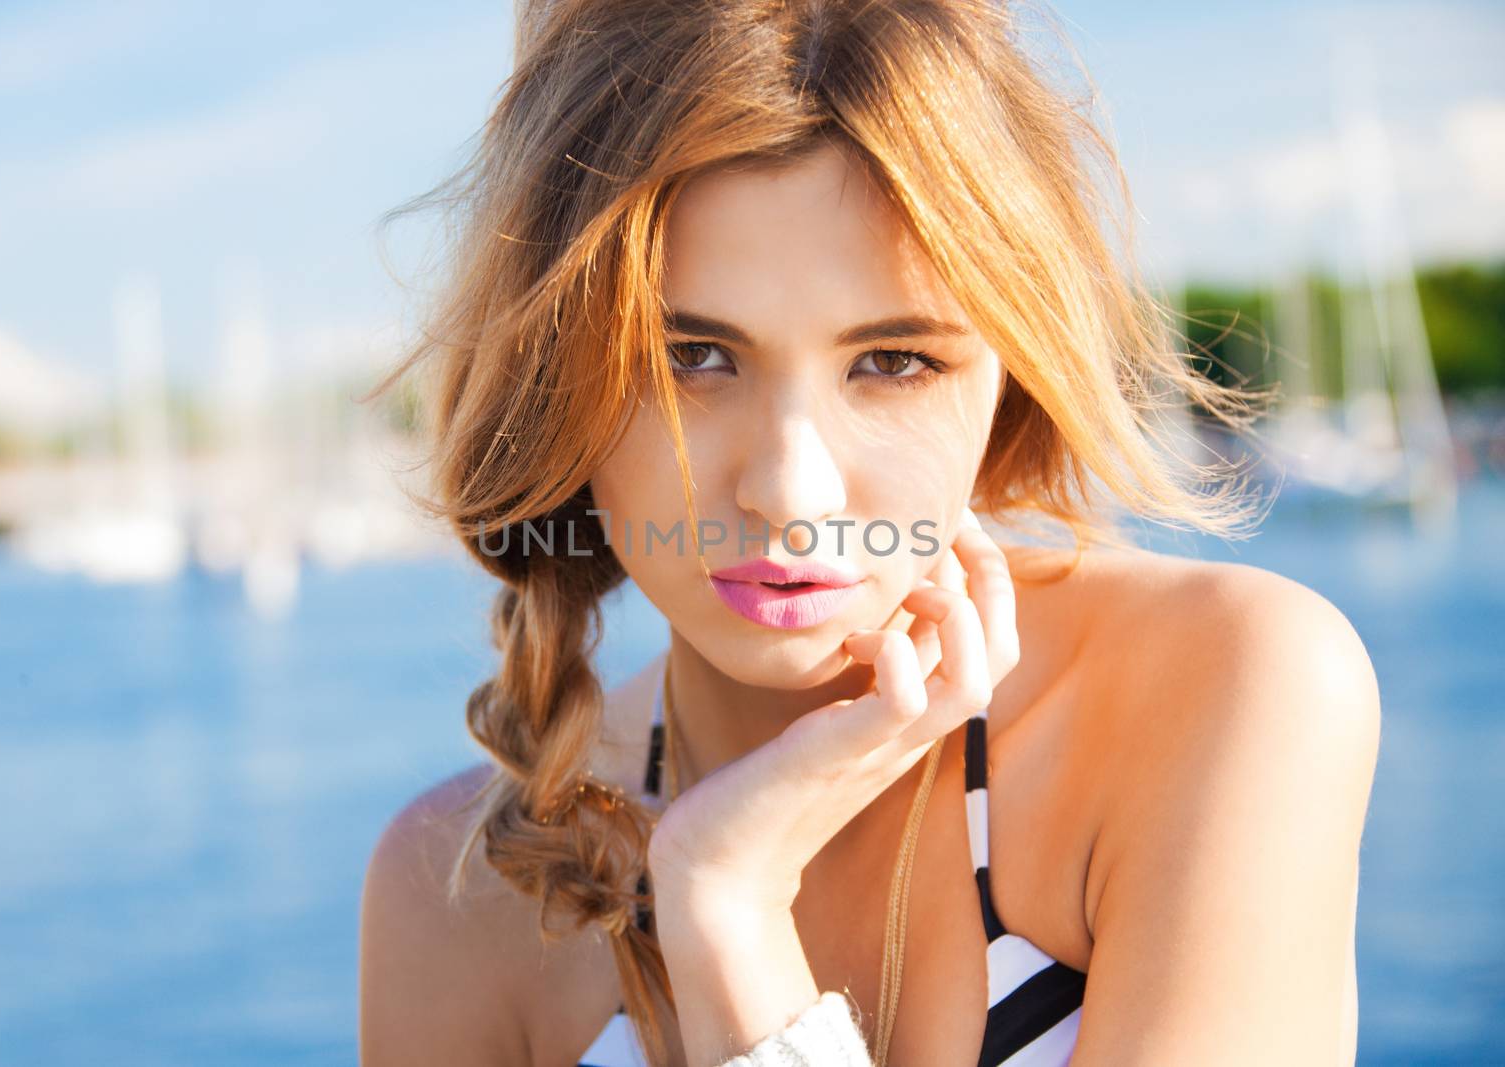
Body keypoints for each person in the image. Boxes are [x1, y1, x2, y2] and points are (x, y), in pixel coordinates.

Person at [358, 1, 1381, 1064]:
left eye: (892, 361)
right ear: (554, 381)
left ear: (1011, 377)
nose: (791, 494)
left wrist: (731, 906)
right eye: (693, 357)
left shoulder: (1220, 687)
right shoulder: (461, 892)